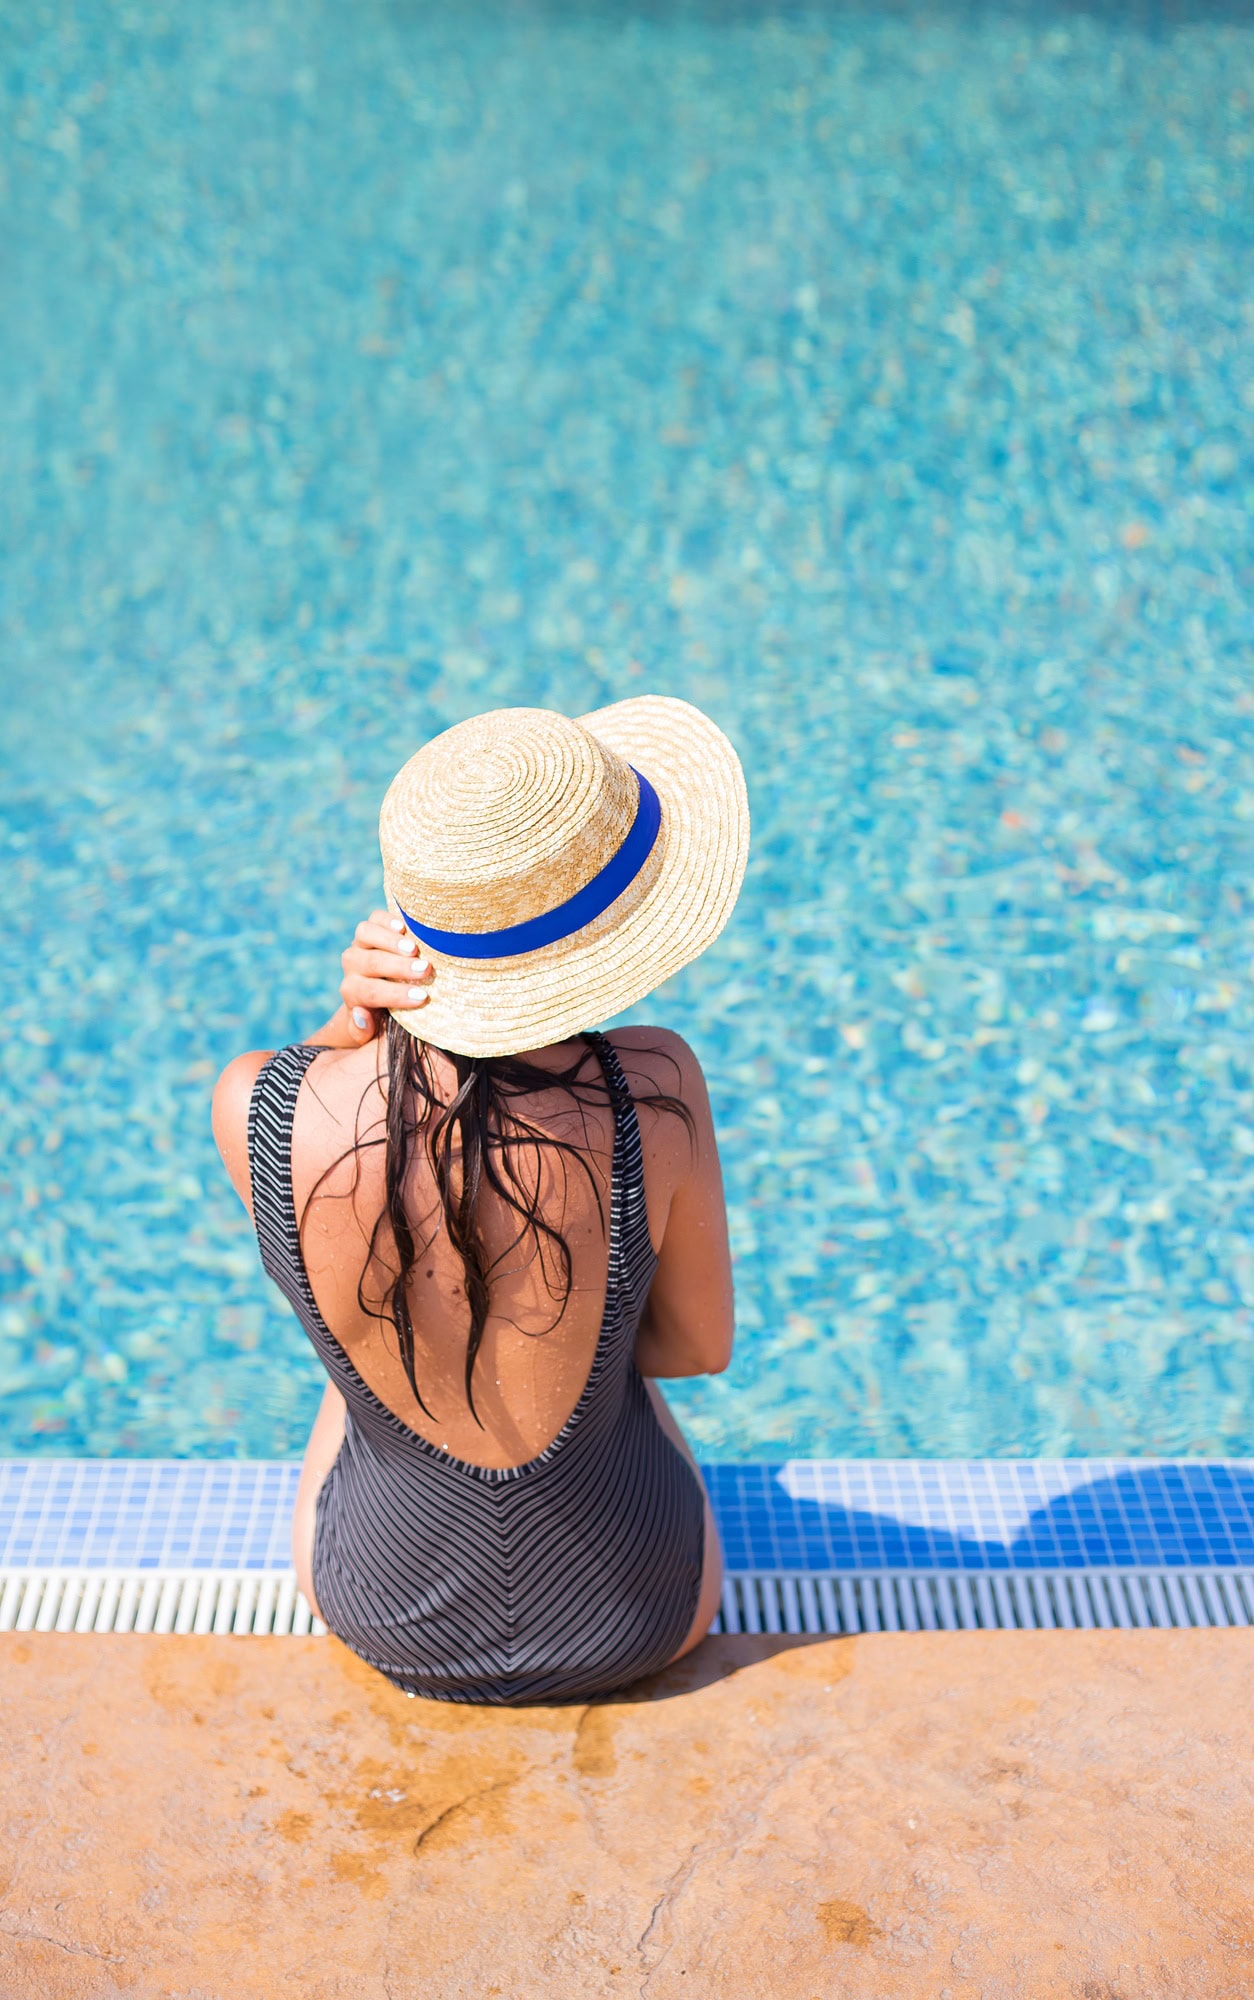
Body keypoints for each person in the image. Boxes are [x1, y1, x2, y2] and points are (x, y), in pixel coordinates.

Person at [212, 696, 749, 1704]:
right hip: (642, 1612)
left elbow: (319, 1097)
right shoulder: (656, 1089)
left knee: (354, 1359)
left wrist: (343, 1031)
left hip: (381, 1608)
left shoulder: (256, 1104)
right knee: (619, 1364)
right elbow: (697, 1347)